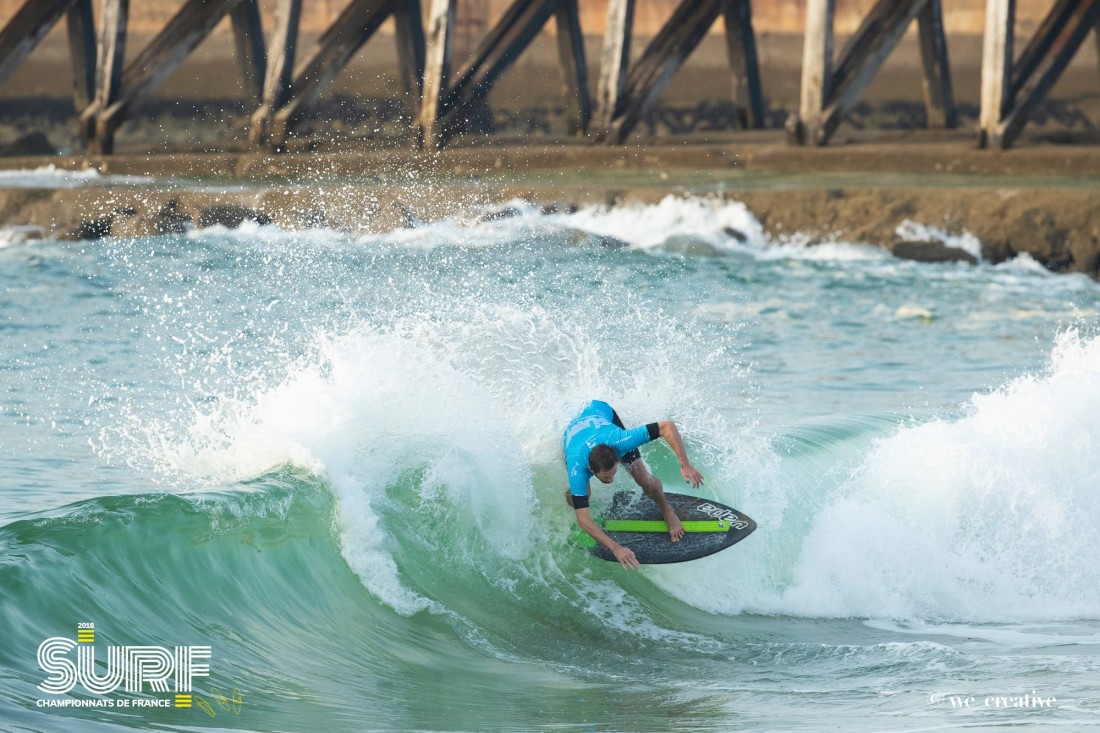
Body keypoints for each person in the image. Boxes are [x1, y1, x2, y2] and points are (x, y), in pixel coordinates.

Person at [563, 400, 704, 569]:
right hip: (573, 437)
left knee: (642, 478)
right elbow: (583, 521)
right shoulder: (577, 466)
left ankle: (667, 510)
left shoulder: (620, 441)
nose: (611, 480)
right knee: (581, 494)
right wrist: (616, 548)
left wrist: (685, 465)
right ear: (591, 469)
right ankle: (576, 499)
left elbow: (667, 426)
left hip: (599, 410)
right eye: (606, 477)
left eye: (613, 474)